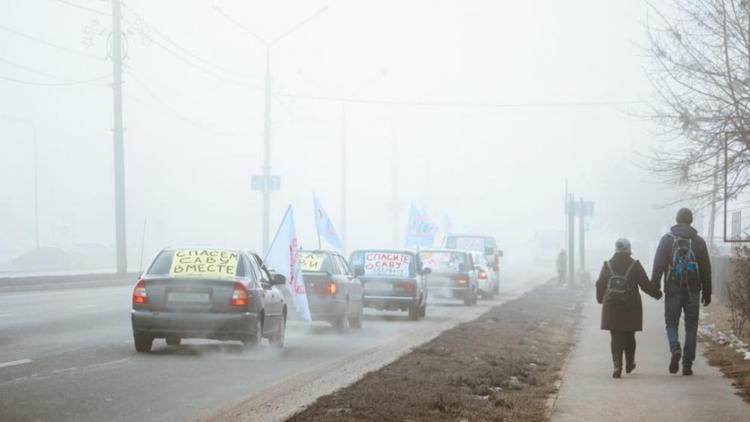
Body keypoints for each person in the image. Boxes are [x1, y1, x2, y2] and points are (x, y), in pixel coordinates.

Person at [651, 208, 712, 376]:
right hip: (693, 290)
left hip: (672, 288)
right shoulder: (698, 241)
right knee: (691, 326)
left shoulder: (666, 240)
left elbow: (658, 265)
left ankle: (675, 348)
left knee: (671, 323)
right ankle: (687, 364)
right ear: (691, 221)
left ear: (676, 220)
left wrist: (654, 285)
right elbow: (706, 269)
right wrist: (707, 291)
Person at [596, 238, 662, 378]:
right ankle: (630, 362)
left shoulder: (607, 265)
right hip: (631, 306)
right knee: (630, 335)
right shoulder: (634, 265)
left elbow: (600, 283)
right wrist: (657, 294)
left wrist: (600, 299)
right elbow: (645, 285)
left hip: (612, 305)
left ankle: (617, 365)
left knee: (615, 335)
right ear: (628, 249)